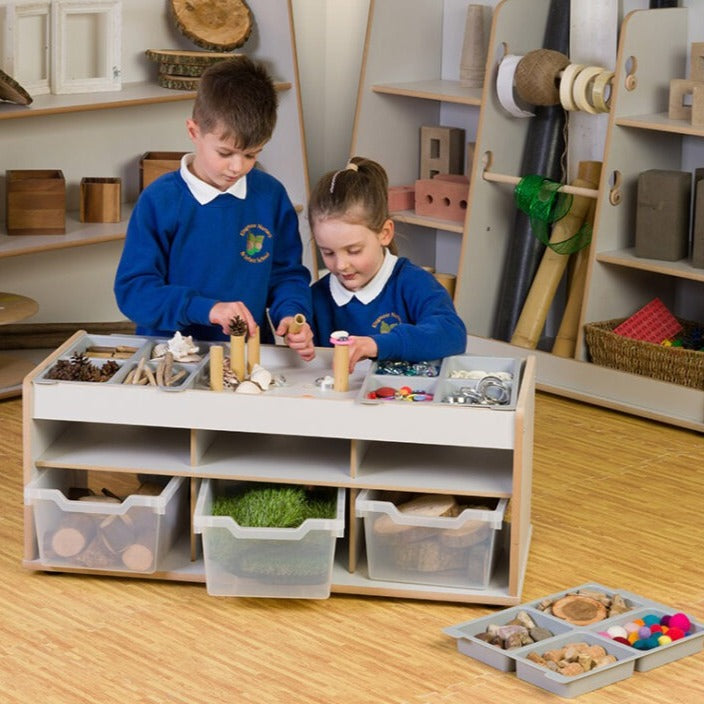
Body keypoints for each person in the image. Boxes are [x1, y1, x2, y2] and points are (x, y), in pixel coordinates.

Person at [114, 56, 315, 360]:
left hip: (247, 356)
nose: (237, 167)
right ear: (194, 132)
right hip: (169, 357)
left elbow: (287, 275)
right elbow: (134, 292)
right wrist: (206, 309)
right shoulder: (160, 201)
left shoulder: (270, 196)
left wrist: (291, 313)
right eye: (225, 152)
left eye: (251, 155)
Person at [308, 156, 467, 371]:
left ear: (384, 233)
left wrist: (376, 344)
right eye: (327, 252)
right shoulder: (317, 296)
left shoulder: (413, 283)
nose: (341, 265)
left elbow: (452, 335)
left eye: (353, 251)